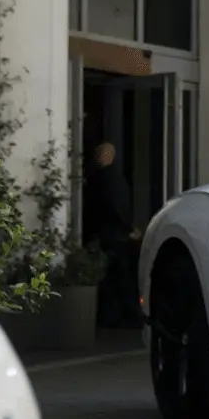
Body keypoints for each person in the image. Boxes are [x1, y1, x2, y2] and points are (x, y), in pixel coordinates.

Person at [86, 141, 141, 329]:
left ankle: (115, 316)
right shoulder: (114, 179)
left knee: (112, 278)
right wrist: (129, 228)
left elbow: (111, 208)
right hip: (116, 235)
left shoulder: (100, 179)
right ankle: (125, 316)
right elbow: (119, 207)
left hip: (108, 234)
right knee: (119, 277)